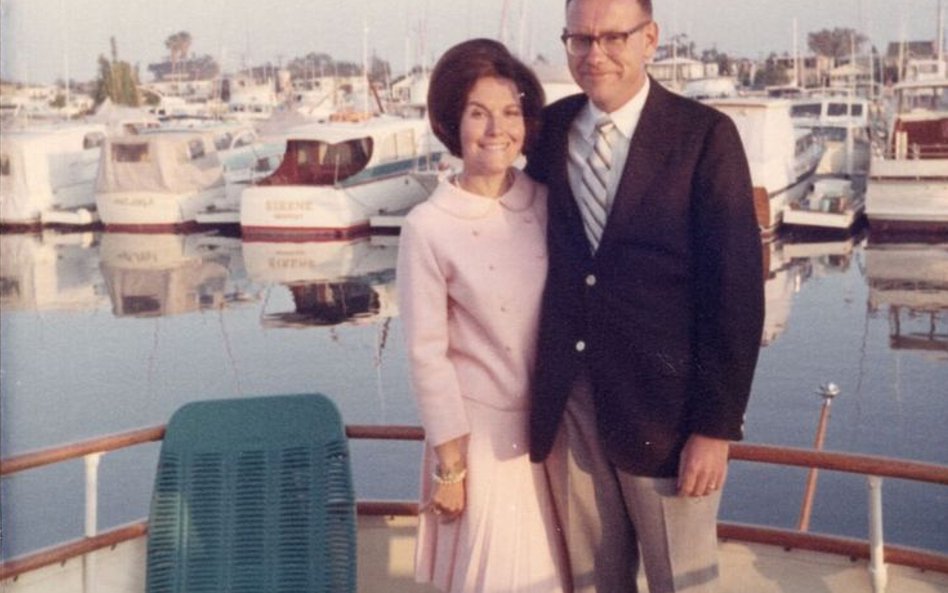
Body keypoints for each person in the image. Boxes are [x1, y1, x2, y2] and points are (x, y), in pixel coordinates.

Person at [525, 1, 766, 592]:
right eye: (580, 40)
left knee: (681, 582)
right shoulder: (550, 131)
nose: (595, 54)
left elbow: (735, 292)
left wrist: (715, 428)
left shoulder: (703, 136)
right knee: (593, 583)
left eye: (613, 37)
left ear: (650, 39)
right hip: (574, 406)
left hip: (670, 417)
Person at [396, 39, 568, 593]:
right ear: (452, 123)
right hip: (481, 446)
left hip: (555, 436)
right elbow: (427, 355)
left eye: (510, 112)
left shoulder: (547, 202)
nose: (497, 129)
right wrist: (450, 468)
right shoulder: (428, 226)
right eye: (478, 113)